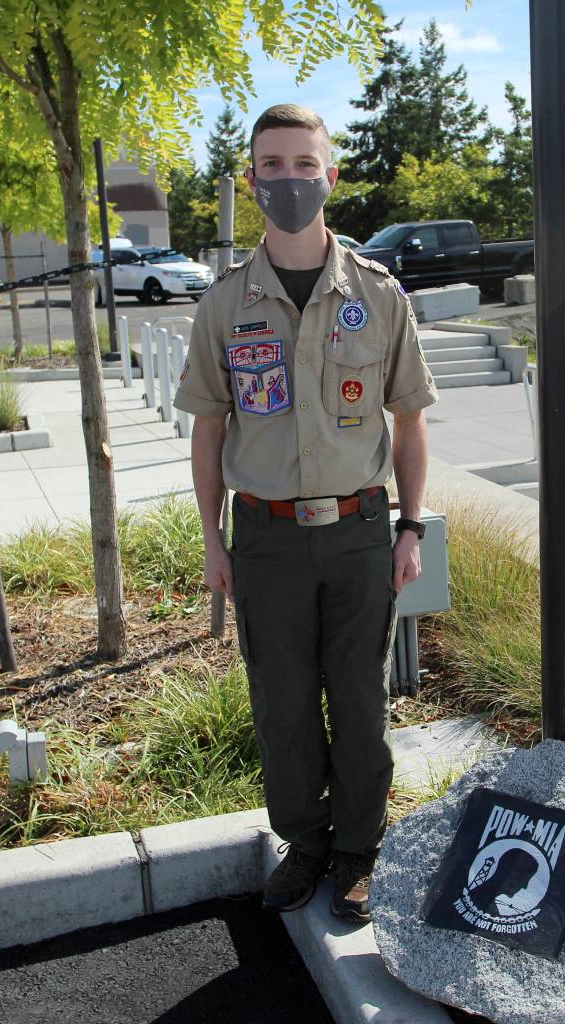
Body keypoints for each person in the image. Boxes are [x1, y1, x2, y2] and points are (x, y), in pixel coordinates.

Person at [173, 103, 438, 924]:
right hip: (266, 539)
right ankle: (308, 841)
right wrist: (214, 540)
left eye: (304, 163)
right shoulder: (224, 304)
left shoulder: (379, 294)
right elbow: (210, 429)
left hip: (361, 532)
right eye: (272, 165)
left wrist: (411, 526)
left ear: (332, 173)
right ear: (251, 179)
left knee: (359, 699)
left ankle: (359, 848)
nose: (289, 179)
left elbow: (411, 419)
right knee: (281, 702)